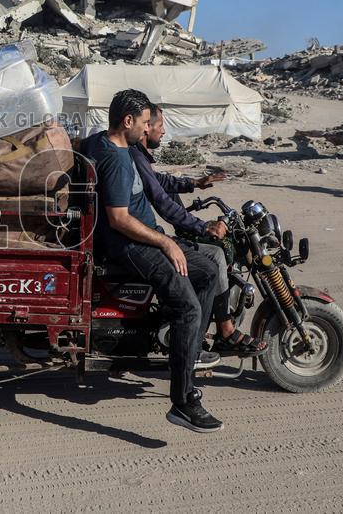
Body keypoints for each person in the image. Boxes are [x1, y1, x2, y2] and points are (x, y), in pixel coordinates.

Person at [82, 89, 223, 433]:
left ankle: (185, 352)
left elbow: (154, 186)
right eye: (146, 123)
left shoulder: (105, 143)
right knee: (188, 309)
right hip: (132, 245)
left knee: (209, 269)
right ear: (127, 121)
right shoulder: (115, 158)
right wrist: (166, 243)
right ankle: (183, 402)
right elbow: (118, 218)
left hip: (143, 237)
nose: (148, 129)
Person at [132, 105, 267, 357]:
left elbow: (161, 182)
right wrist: (201, 226)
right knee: (214, 259)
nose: (164, 131)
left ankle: (215, 329)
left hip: (147, 232)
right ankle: (204, 339)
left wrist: (194, 183)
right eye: (160, 125)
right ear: (144, 126)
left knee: (211, 254)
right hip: (142, 239)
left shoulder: (140, 157)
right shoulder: (134, 156)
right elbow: (161, 201)